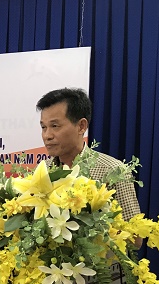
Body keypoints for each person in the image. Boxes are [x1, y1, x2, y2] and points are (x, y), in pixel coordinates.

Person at [36, 87, 141, 223]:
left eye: (55, 126)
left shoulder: (113, 171)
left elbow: (133, 231)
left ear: (81, 126)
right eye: (43, 127)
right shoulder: (42, 170)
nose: (47, 135)